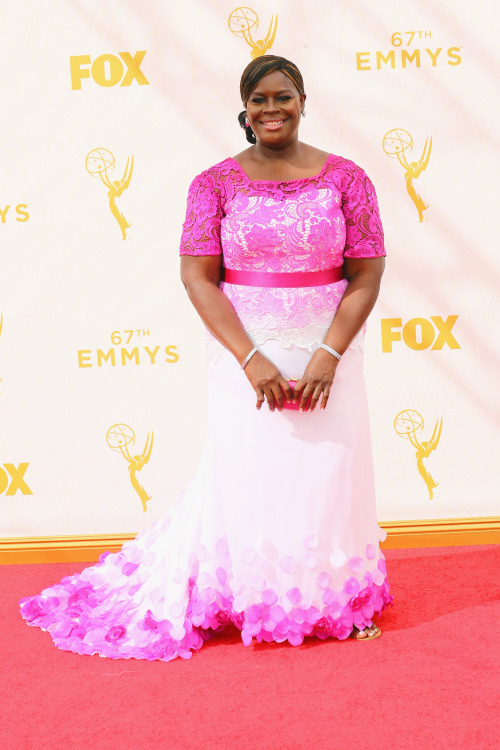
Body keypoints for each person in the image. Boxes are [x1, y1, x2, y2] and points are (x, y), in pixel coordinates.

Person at [19, 55, 393, 661]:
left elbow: (367, 273)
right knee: (255, 474)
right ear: (244, 111)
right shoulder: (213, 183)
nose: (272, 108)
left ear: (303, 100)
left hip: (330, 352)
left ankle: (339, 601)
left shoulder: (348, 179)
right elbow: (198, 279)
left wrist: (329, 354)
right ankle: (258, 597)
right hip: (246, 355)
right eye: (259, 100)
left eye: (283, 96)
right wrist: (252, 360)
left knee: (331, 474)